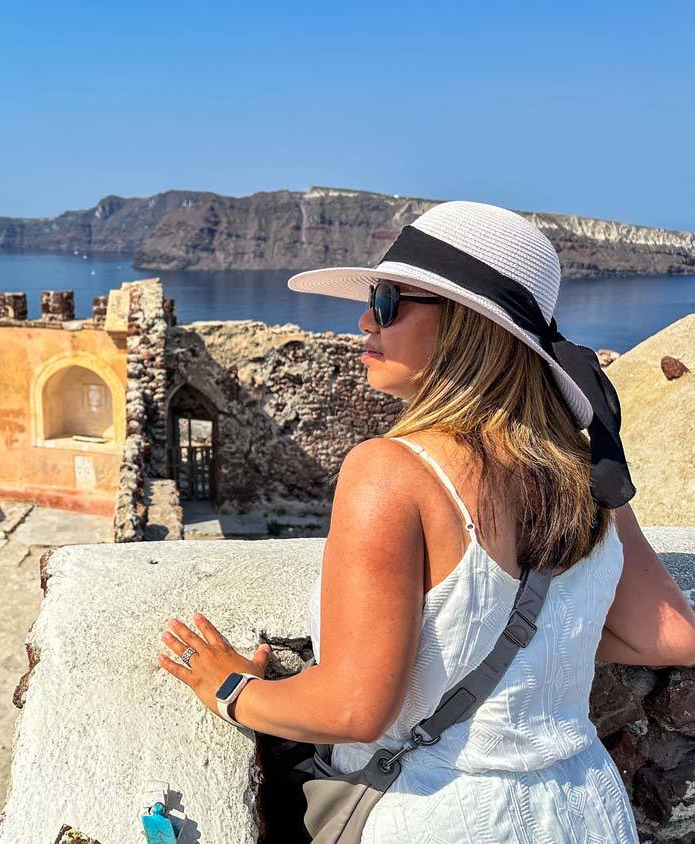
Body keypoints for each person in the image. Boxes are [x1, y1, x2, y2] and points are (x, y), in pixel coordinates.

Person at [155, 201, 695, 842]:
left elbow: (356, 709)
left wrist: (230, 687)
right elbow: (670, 636)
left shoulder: (390, 471)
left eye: (386, 301)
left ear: (470, 326)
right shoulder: (584, 469)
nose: (363, 320)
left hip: (447, 815)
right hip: (586, 809)